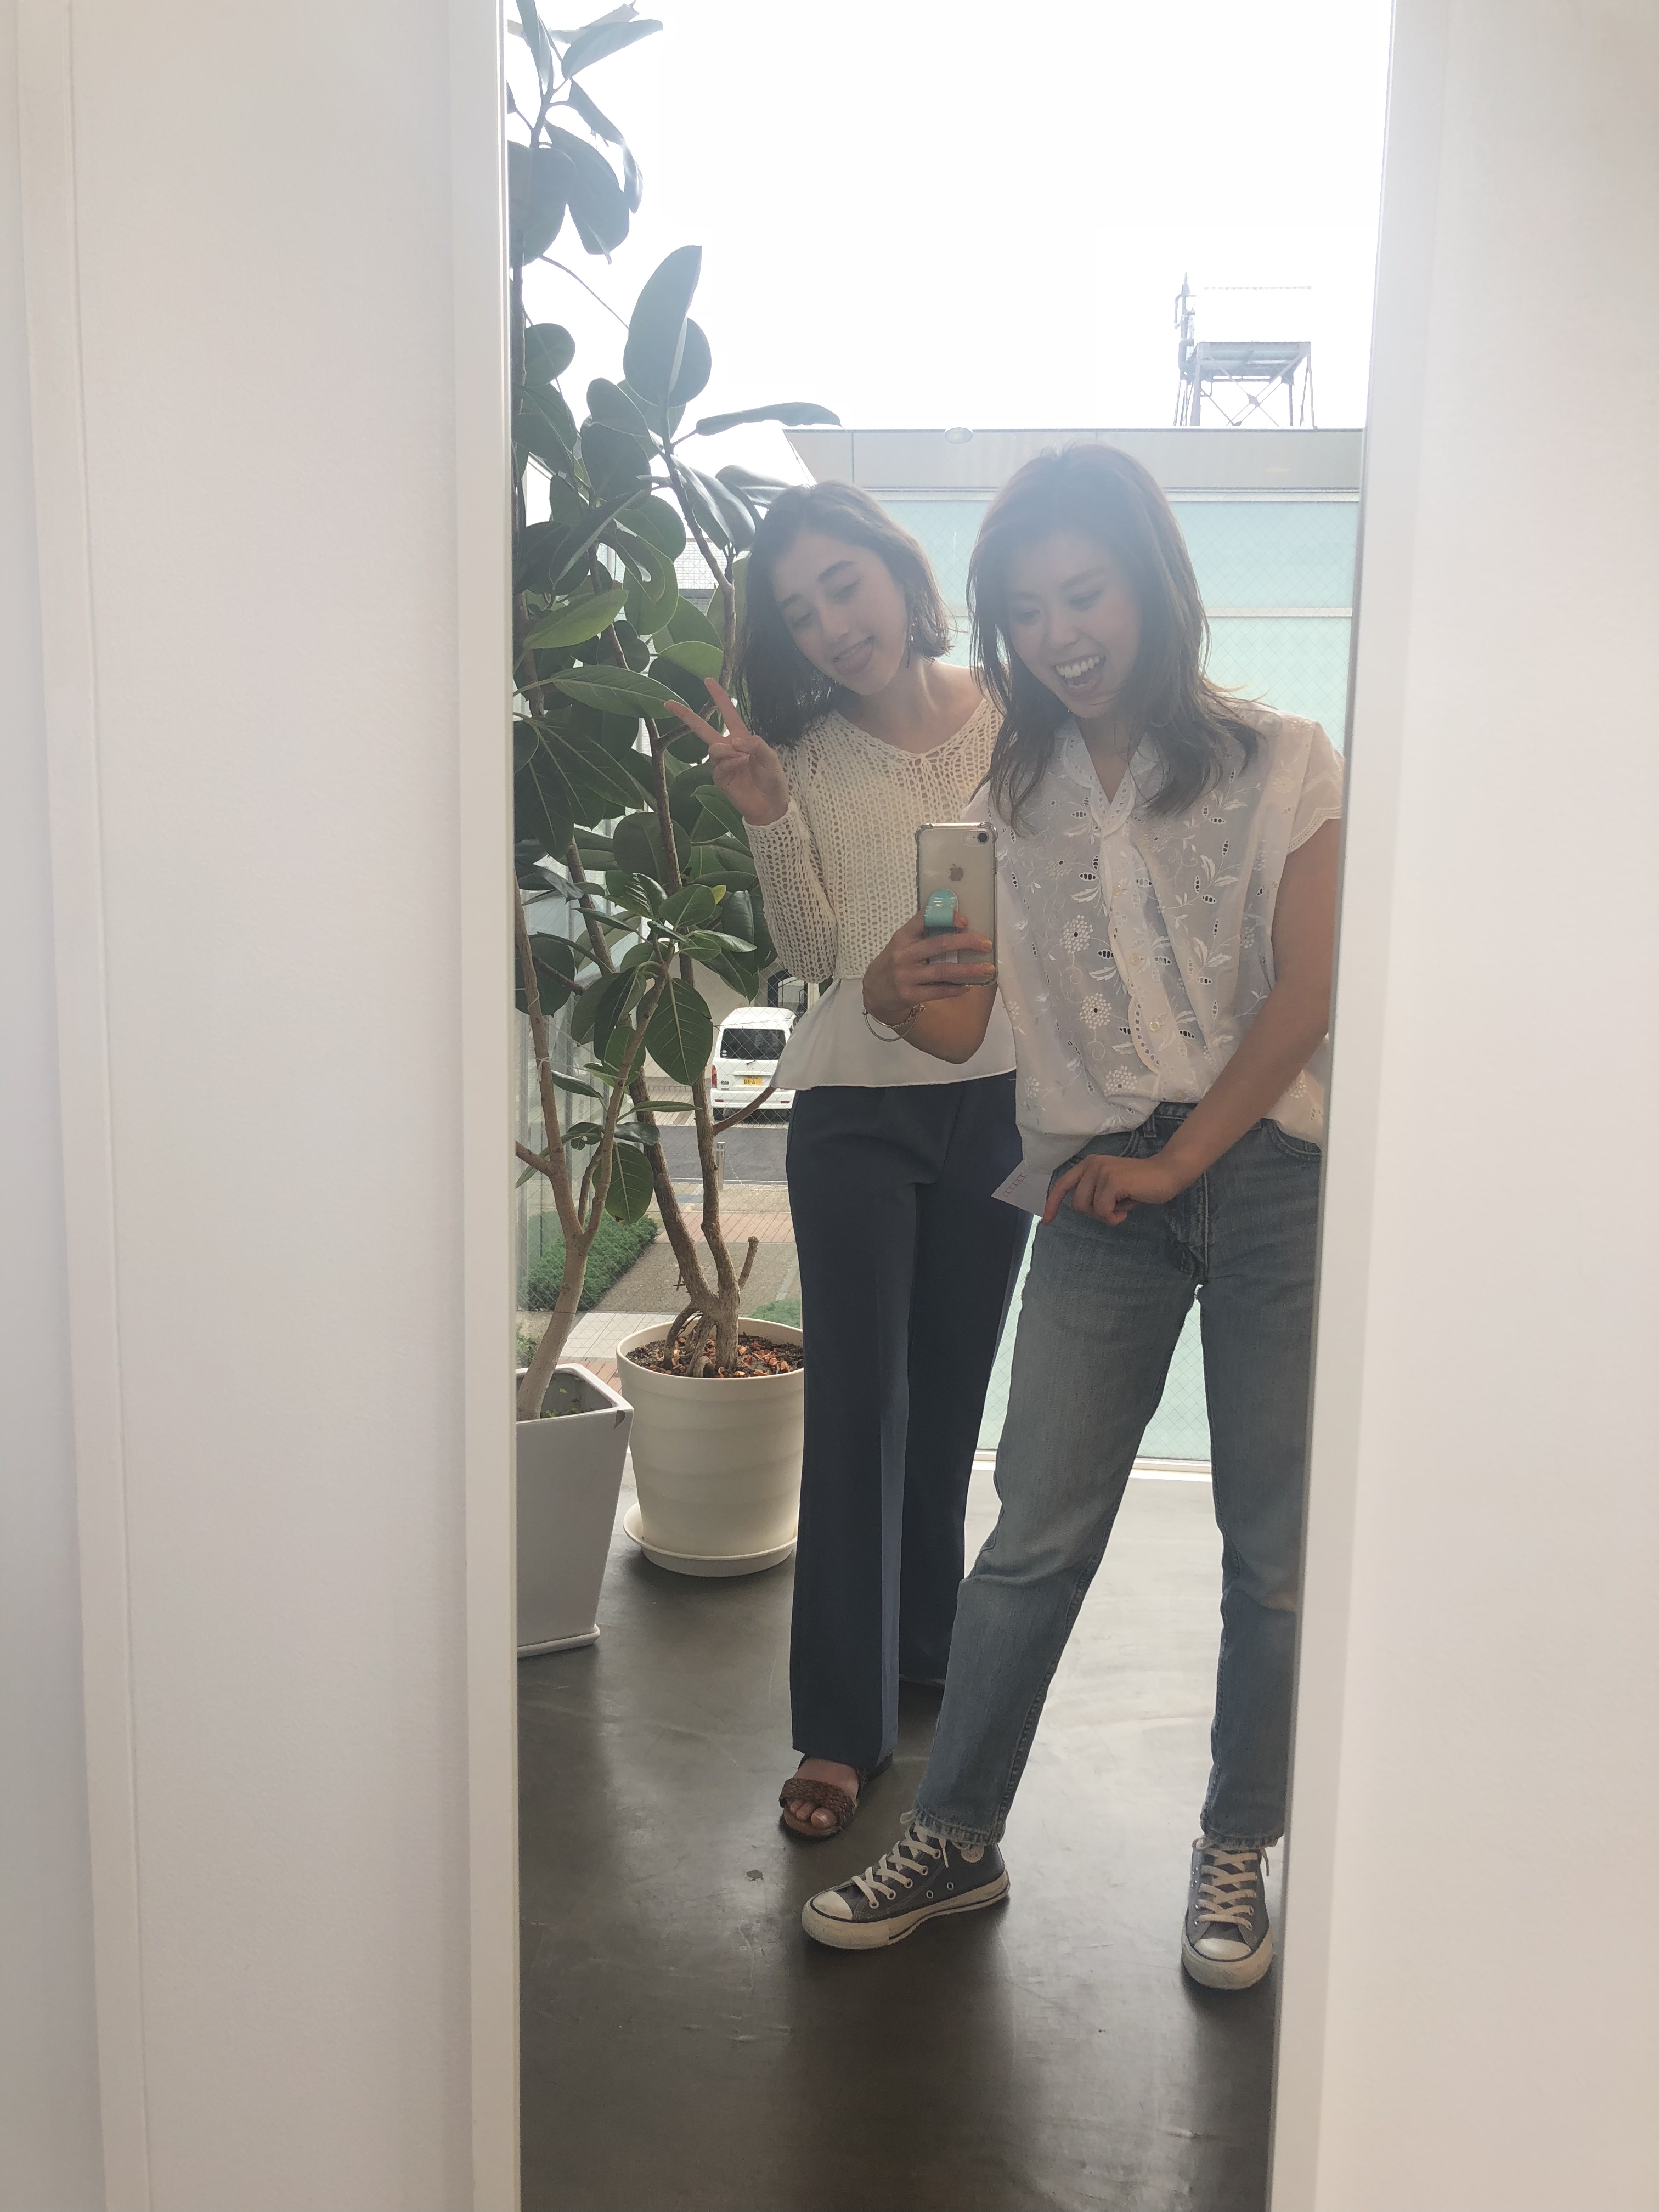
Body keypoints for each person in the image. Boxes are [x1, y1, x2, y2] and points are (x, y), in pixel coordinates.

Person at [800, 444, 1344, 1988]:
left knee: (1272, 1547)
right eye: (1027, 610)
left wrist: (1184, 1161)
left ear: (1152, 587)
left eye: (1085, 593)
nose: (1059, 635)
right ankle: (956, 1835)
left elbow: (1309, 993)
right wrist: (891, 995)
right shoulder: (995, 807)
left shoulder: (1286, 763)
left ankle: (1237, 1844)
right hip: (1102, 1177)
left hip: (1275, 1177)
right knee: (1032, 1534)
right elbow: (964, 1025)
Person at [664, 483, 1029, 1842]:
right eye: (800, 613)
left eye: (843, 586)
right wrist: (767, 809)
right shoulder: (808, 755)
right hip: (858, 1107)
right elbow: (814, 950)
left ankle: (921, 1654)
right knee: (859, 1407)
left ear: (897, 572)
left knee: (948, 1397)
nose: (830, 625)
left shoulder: (1020, 712)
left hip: (999, 1102)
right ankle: (837, 1726)